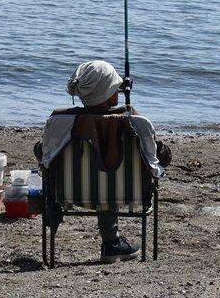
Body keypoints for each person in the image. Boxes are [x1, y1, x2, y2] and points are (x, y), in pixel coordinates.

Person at [35, 60, 171, 263]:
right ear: (109, 92)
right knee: (110, 179)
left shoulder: (60, 121)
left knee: (96, 174)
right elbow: (162, 158)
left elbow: (43, 153)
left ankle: (112, 243)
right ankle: (111, 243)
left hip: (69, 192)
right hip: (128, 192)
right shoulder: (134, 121)